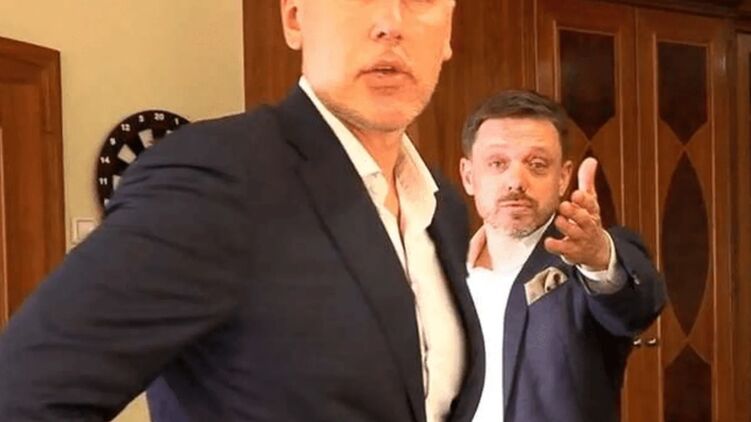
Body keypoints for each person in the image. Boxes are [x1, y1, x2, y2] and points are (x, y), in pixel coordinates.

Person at [0, 1, 485, 421]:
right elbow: (21, 398)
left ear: (448, 30)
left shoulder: (441, 208)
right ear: (294, 17)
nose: (391, 23)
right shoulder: (216, 177)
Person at [458, 90, 666, 422]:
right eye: (497, 163)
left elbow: (636, 307)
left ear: (563, 178)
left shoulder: (583, 263)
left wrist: (598, 258)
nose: (516, 181)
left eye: (537, 165)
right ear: (469, 176)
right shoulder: (437, 272)